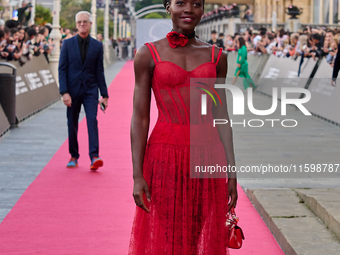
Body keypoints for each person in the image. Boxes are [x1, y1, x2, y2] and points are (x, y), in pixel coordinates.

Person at [129, 0, 238, 254]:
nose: (189, 9)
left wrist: (232, 170)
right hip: (164, 156)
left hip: (208, 155)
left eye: (196, 4)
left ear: (203, 11)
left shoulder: (217, 57)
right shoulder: (147, 54)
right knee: (170, 235)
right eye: (181, 3)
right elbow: (140, 118)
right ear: (168, 7)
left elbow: (222, 115)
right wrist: (137, 175)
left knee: (198, 233)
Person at [58, 11, 109, 170]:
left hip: (90, 91)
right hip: (72, 91)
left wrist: (105, 95)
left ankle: (94, 156)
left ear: (90, 24)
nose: (82, 24)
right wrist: (64, 92)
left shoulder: (97, 45)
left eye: (85, 21)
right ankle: (74, 156)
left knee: (92, 121)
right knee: (72, 123)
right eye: (79, 22)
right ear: (76, 24)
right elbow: (62, 70)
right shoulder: (67, 44)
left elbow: (99, 71)